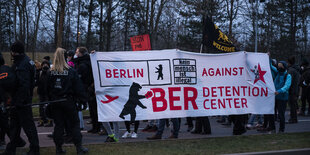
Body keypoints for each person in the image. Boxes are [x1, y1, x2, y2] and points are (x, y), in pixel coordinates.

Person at [1, 41, 40, 155]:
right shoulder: (27, 61)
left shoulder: (21, 65)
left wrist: (19, 100)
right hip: (19, 100)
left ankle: (34, 149)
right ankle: (11, 148)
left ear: (14, 52)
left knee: (28, 126)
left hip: (21, 101)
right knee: (15, 125)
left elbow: (24, 85)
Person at [47, 48, 88, 154]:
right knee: (74, 124)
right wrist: (83, 100)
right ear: (65, 57)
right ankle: (79, 148)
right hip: (68, 101)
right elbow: (78, 87)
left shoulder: (50, 72)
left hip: (56, 102)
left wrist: (50, 99)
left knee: (59, 125)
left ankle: (58, 149)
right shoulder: (71, 71)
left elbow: (45, 88)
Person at [74, 47, 99, 133]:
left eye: (77, 52)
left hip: (90, 88)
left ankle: (97, 127)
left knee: (94, 108)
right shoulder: (86, 62)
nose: (76, 54)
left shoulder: (84, 64)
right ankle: (95, 126)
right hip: (89, 87)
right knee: (92, 109)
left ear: (81, 53)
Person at [271, 61, 292, 133]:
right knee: (272, 114)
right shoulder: (277, 73)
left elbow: (287, 86)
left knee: (281, 115)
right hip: (275, 97)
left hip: (282, 98)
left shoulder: (288, 76)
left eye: (281, 66)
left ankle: (281, 130)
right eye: (278, 66)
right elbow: (270, 66)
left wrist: (279, 91)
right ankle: (273, 129)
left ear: (284, 67)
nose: (279, 67)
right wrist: (268, 58)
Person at [37, 60, 53, 127]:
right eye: (43, 64)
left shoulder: (50, 72)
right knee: (41, 107)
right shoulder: (40, 72)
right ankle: (42, 120)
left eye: (46, 64)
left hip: (48, 93)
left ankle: (49, 121)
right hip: (41, 92)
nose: (45, 65)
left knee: (48, 108)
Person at [287, 56, 300, 123]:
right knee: (294, 105)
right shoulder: (296, 69)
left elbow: (289, 81)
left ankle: (293, 119)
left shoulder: (291, 70)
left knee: (292, 105)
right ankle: (294, 118)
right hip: (296, 89)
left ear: (289, 63)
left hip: (292, 90)